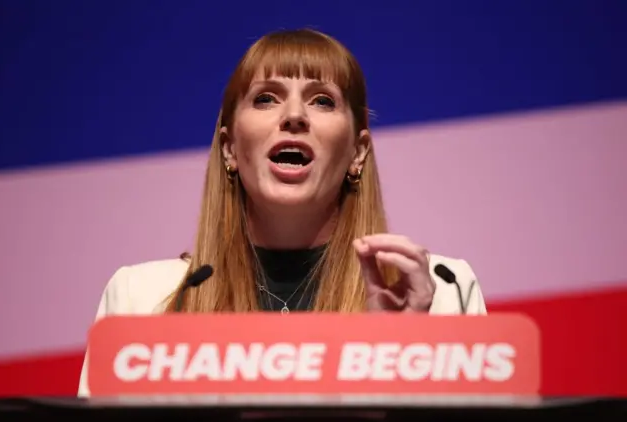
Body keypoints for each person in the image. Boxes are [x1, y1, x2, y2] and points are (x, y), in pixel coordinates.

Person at [77, 28, 487, 397]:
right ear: (230, 149)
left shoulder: (441, 293)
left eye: (323, 100)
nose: (293, 116)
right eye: (266, 98)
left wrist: (396, 359)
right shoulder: (142, 301)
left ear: (357, 152)